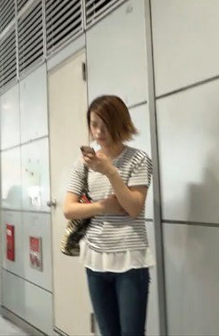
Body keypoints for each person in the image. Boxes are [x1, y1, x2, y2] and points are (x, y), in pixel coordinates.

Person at [63, 95, 153, 336]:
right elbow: (68, 209)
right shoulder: (83, 164)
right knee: (108, 332)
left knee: (132, 332)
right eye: (94, 124)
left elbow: (134, 208)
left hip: (130, 259)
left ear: (120, 123)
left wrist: (110, 172)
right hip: (94, 258)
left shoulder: (138, 159)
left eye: (105, 125)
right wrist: (104, 207)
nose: (99, 132)